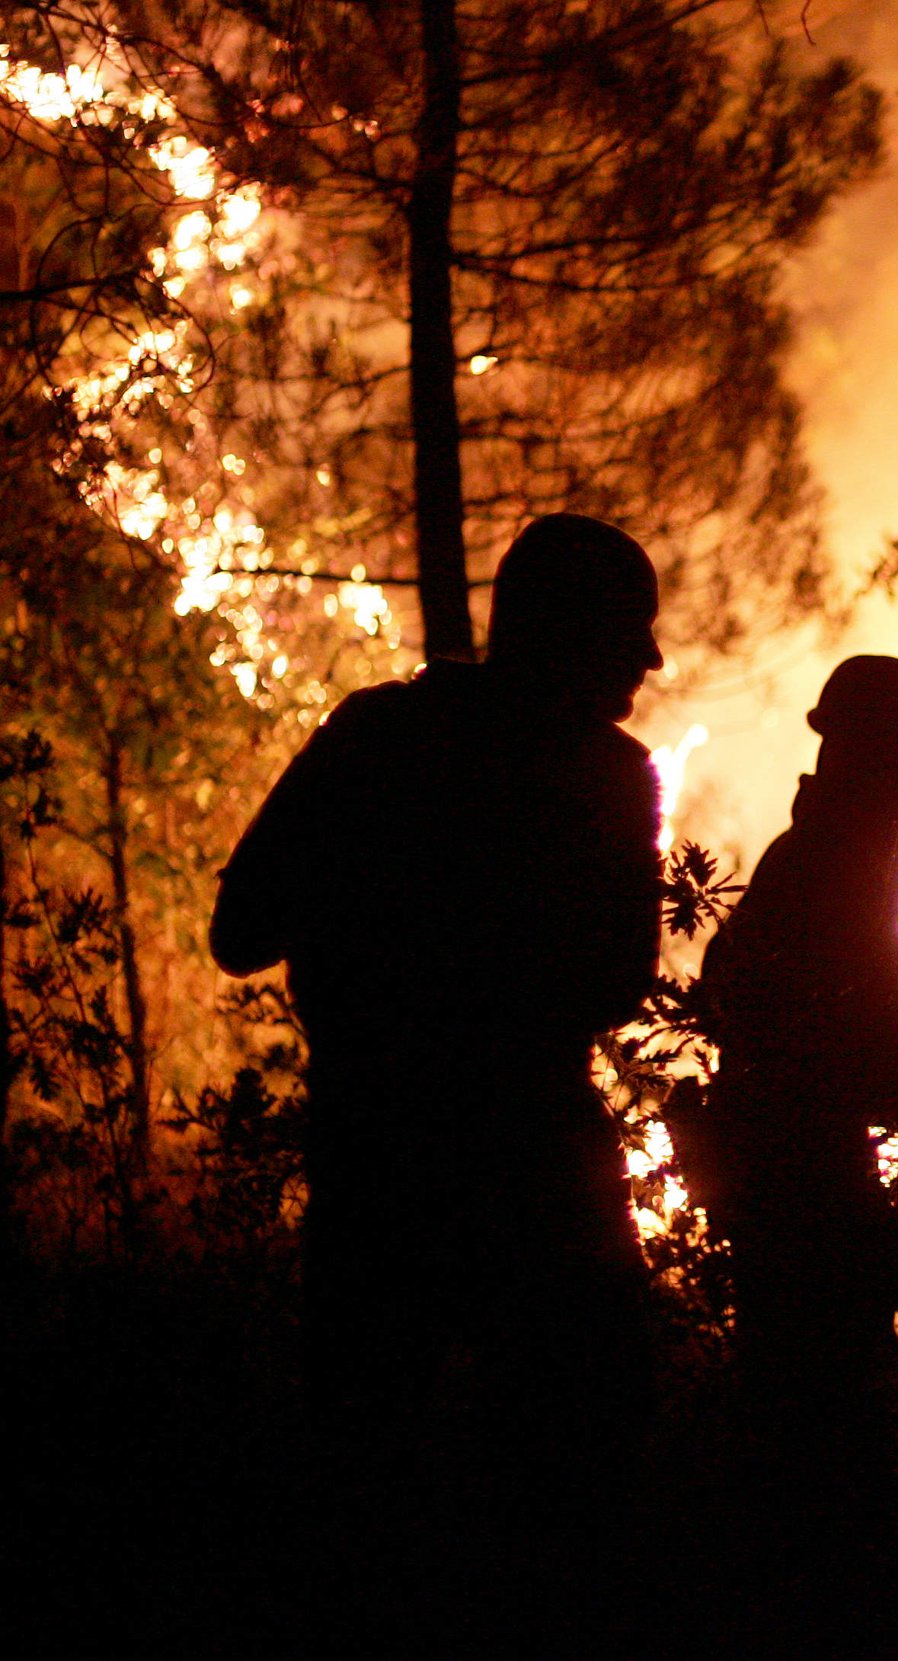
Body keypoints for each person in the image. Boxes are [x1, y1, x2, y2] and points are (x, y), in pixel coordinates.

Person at [210, 513, 665, 1624]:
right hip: (540, 1175)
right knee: (569, 1514)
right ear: (572, 634)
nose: (649, 663)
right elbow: (615, 980)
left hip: (378, 1157)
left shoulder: (374, 736)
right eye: (629, 634)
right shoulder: (610, 775)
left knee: (360, 1476)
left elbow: (240, 929)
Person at [687, 654, 898, 1491]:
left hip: (802, 1171)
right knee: (826, 1432)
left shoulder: (822, 863)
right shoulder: (827, 874)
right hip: (799, 1184)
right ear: (876, 763)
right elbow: (870, 1019)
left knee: (819, 1417)